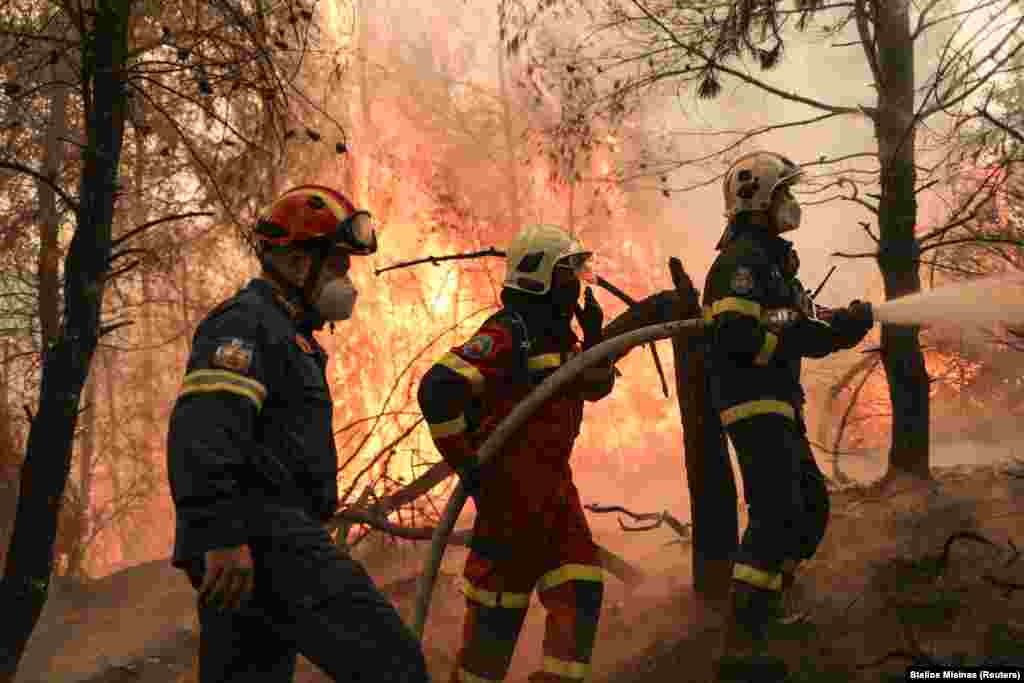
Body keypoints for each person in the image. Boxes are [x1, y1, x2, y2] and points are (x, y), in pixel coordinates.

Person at [166, 185, 430, 682]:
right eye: (334, 265)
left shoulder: (288, 333)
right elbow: (204, 429)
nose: (343, 280)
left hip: (259, 538)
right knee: (393, 664)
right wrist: (221, 537)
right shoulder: (244, 325)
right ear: (289, 260)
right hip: (261, 536)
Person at [417, 224, 616, 683]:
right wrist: (468, 467)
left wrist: (596, 341)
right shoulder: (509, 333)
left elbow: (595, 387)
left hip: (555, 494)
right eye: (569, 271)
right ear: (540, 276)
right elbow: (438, 387)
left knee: (580, 592)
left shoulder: (558, 334)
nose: (577, 281)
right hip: (507, 504)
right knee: (493, 631)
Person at [702, 152, 873, 681]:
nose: (792, 204)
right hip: (752, 403)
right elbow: (734, 334)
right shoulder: (741, 264)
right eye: (784, 195)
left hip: (780, 402)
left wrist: (845, 326)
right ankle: (742, 648)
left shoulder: (774, 264)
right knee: (776, 514)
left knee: (810, 509)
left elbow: (798, 322)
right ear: (758, 202)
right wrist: (794, 332)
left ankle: (768, 607)